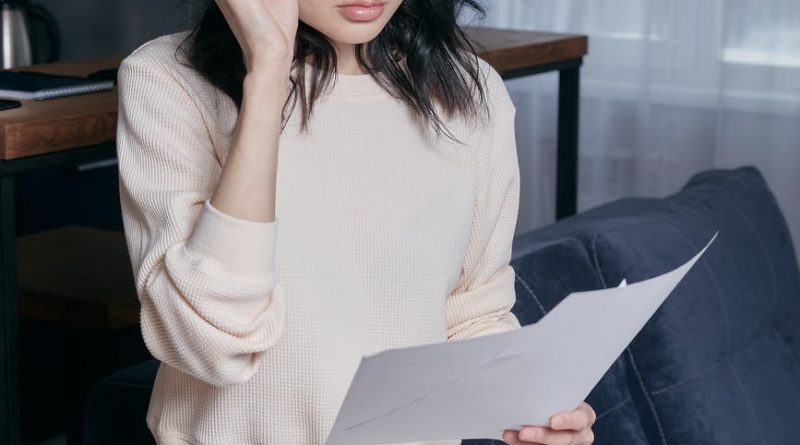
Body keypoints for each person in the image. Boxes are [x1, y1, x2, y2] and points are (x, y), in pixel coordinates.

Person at [115, 0, 596, 444]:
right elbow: (210, 343)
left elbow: (471, 315)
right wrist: (267, 73)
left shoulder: (472, 90)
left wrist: (538, 406)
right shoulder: (165, 81)